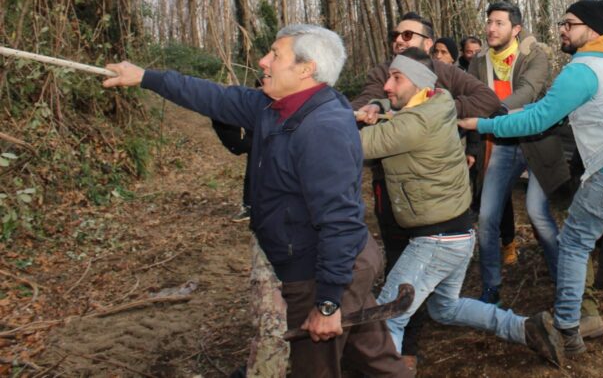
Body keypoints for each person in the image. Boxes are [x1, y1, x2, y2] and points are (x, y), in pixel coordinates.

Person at [102, 25, 409, 378]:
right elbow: (212, 96)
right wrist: (145, 77)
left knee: (315, 370)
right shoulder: (272, 107)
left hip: (322, 270)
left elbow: (340, 220)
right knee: (375, 362)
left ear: (306, 69)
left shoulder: (322, 127)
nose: (263, 61)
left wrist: (326, 303)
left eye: (275, 55)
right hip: (337, 268)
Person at [460, 0, 603, 357]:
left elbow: (539, 120)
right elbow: (548, 106)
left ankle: (567, 326)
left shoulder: (583, 69)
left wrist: (483, 124)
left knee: (574, 241)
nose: (562, 30)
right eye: (562, 23)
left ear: (591, 30)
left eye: (570, 24)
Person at [360, 48, 564, 368]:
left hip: (436, 241)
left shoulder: (414, 124)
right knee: (446, 309)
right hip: (456, 235)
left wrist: (326, 120)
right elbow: (398, 104)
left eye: (396, 78)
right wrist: (377, 105)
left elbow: (351, 146)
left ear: (418, 83)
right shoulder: (438, 100)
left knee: (389, 317)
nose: (386, 85)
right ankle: (525, 328)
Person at [350, 12, 500, 369]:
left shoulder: (443, 78)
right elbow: (370, 103)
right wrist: (379, 106)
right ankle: (522, 328)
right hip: (400, 197)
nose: (399, 40)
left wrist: (437, 114)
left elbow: (485, 99)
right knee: (436, 300)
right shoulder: (383, 75)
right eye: (395, 34)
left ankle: (399, 356)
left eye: (408, 35)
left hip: (436, 225)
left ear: (428, 44)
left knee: (392, 308)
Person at [466, 1, 569, 308]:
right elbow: (470, 96)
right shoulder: (479, 60)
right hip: (502, 145)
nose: (491, 28)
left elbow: (529, 88)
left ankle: (563, 277)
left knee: (537, 212)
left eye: (498, 23)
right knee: (486, 217)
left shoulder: (534, 55)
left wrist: (499, 113)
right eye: (489, 22)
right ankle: (491, 286)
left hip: (537, 141)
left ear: (516, 28)